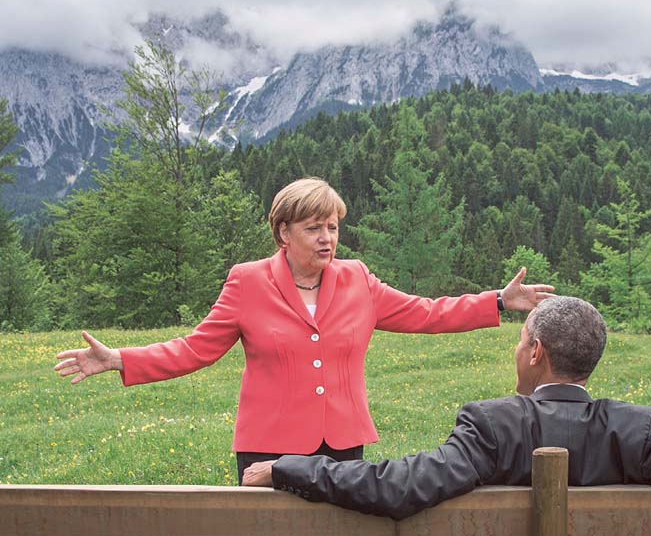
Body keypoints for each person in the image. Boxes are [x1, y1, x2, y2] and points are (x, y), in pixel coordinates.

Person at [53, 177, 554, 482]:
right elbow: (195, 349)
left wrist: (496, 302)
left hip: (342, 444)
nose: (327, 237)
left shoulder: (357, 278)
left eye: (332, 226)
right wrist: (120, 358)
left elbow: (426, 312)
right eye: (314, 227)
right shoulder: (247, 282)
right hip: (268, 446)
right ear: (283, 232)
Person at [243, 296, 651, 519]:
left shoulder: (490, 425)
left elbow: (398, 486)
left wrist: (288, 468)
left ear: (534, 352)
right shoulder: (641, 432)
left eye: (520, 339)